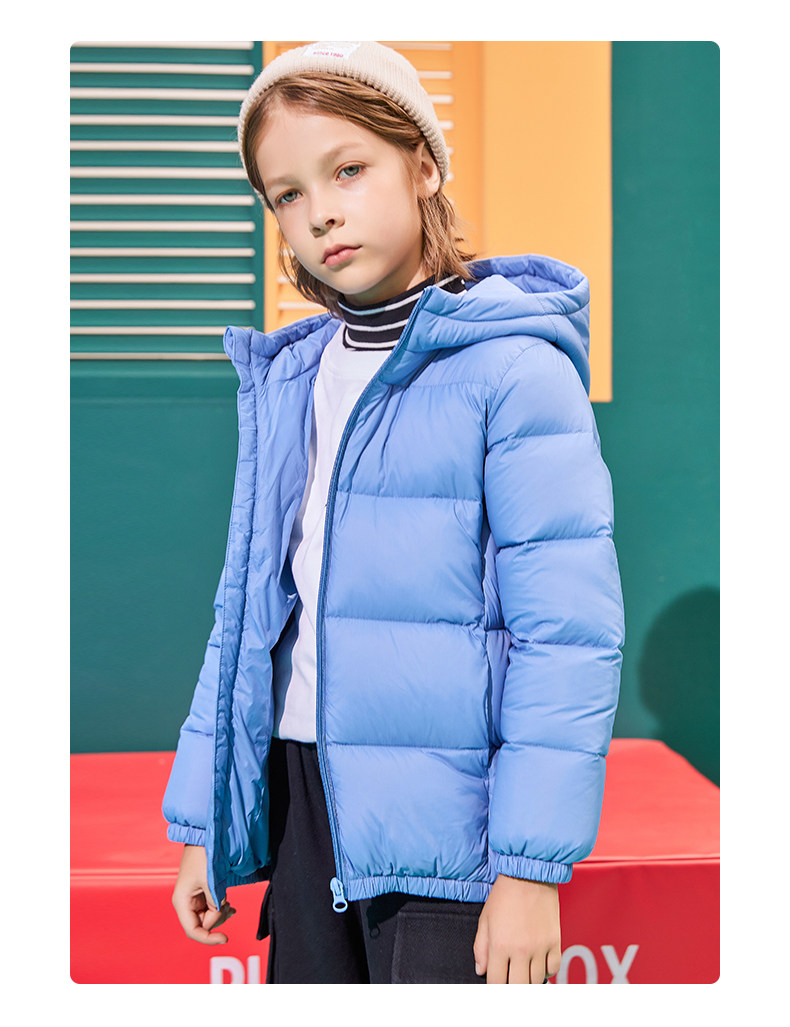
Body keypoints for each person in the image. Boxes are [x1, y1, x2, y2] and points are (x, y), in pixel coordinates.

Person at [162, 40, 625, 985]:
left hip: (450, 829)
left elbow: (566, 636)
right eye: (286, 193)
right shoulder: (290, 380)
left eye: (348, 169)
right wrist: (206, 819)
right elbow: (245, 616)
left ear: (423, 167)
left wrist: (530, 867)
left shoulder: (515, 370)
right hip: (303, 804)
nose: (320, 211)